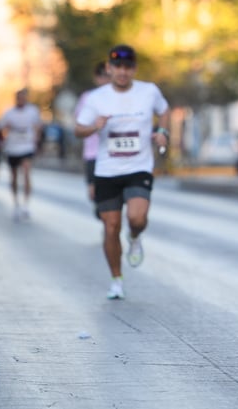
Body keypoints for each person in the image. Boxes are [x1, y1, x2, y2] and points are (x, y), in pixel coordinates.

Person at [74, 45, 170, 300]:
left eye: (128, 67)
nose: (122, 72)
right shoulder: (96, 98)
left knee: (137, 219)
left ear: (134, 69)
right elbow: (78, 129)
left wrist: (163, 132)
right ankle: (117, 280)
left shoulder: (149, 92)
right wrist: (94, 126)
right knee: (110, 226)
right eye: (117, 67)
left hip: (138, 167)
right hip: (107, 170)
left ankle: (135, 236)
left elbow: (164, 110)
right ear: (109, 68)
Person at [0, 89, 42, 220]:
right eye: (19, 98)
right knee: (14, 176)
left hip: (27, 146)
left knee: (27, 172)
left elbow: (38, 126)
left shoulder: (32, 111)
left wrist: (37, 139)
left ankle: (26, 204)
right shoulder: (9, 113)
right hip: (13, 148)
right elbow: (0, 127)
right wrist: (6, 129)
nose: (21, 100)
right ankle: (16, 202)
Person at [74, 61, 111, 216]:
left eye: (108, 76)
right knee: (94, 194)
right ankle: (106, 219)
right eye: (102, 76)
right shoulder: (88, 98)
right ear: (96, 78)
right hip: (93, 153)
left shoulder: (120, 97)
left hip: (113, 154)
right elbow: (78, 125)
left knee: (113, 195)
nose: (105, 80)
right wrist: (95, 126)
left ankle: (110, 225)